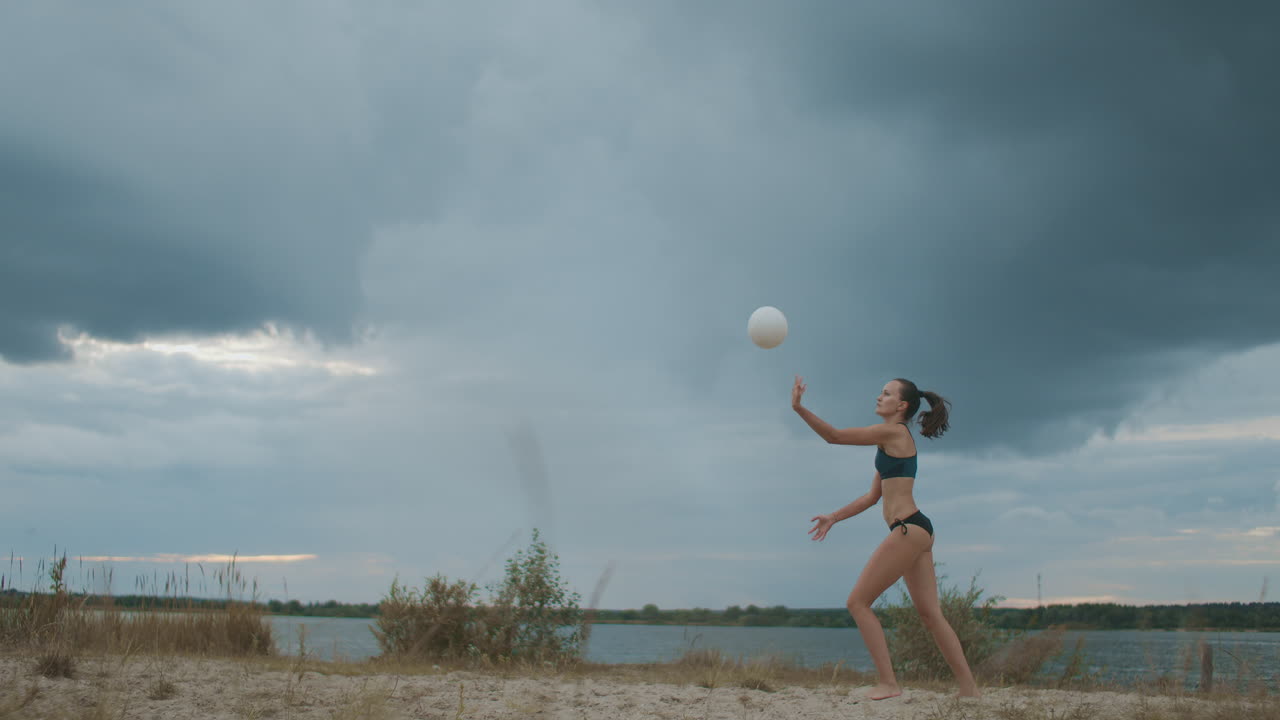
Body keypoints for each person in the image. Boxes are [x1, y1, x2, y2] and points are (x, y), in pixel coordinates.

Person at [792, 375, 980, 700]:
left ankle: (888, 683)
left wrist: (798, 408)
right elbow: (872, 497)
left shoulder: (894, 432)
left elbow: (834, 436)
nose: (879, 397)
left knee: (857, 602)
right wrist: (833, 517)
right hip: (918, 529)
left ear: (902, 405)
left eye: (886, 393)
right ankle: (969, 690)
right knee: (931, 615)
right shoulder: (888, 442)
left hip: (908, 529)